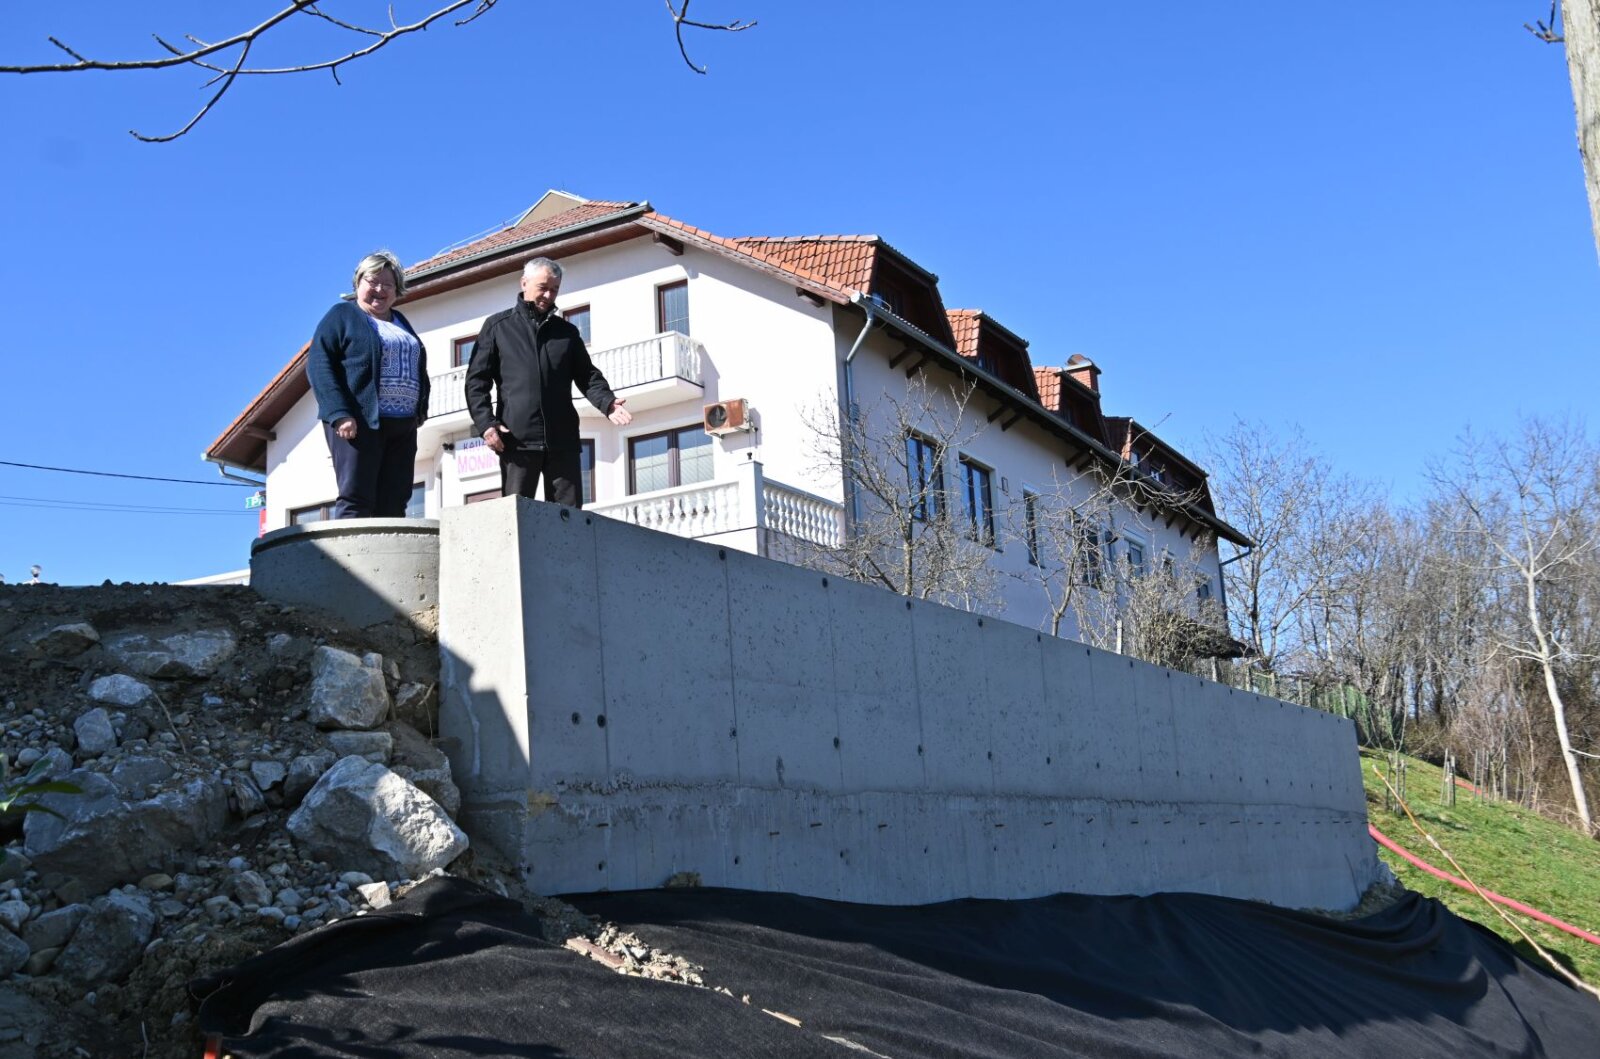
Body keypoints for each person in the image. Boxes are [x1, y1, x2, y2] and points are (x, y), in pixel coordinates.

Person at [465, 257, 632, 507]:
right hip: (517, 440)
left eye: (554, 289)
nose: (548, 295)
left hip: (563, 441)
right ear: (524, 283)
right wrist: (487, 424)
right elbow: (476, 382)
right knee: (518, 515)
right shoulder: (498, 327)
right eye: (543, 287)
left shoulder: (567, 333)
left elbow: (587, 375)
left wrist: (607, 403)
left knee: (568, 518)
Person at [306, 251, 430, 519]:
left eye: (388, 284)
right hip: (360, 422)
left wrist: (420, 410)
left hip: (403, 425)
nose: (380, 290)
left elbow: (418, 365)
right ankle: (350, 547)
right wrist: (339, 413)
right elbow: (319, 364)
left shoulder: (401, 321)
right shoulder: (342, 315)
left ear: (397, 290)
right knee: (357, 495)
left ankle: (389, 546)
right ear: (358, 282)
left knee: (395, 499)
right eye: (372, 281)